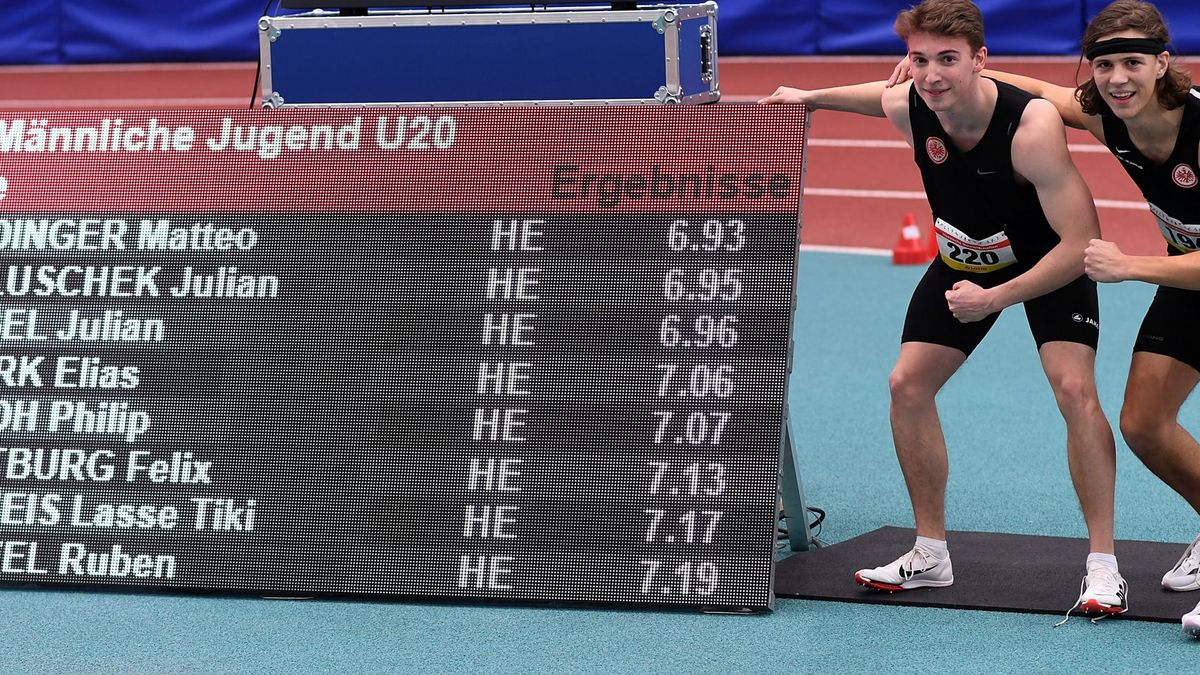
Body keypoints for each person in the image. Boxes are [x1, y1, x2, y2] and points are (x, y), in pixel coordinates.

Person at [760, 0, 1128, 616]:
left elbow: (1080, 243)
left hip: (1048, 265)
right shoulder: (910, 104)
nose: (931, 75)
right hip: (965, 260)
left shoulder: (1031, 125)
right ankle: (930, 552)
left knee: (1074, 390)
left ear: (981, 60)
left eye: (948, 60)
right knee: (907, 386)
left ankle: (1103, 566)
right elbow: (877, 95)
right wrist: (810, 97)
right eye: (920, 59)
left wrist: (996, 298)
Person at [888, 0, 1199, 636]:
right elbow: (1028, 90)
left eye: (1133, 63)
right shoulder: (1103, 110)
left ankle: (1106, 564)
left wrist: (1131, 266)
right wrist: (942, 72)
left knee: (1091, 397)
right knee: (1143, 424)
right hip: (1186, 277)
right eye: (1104, 65)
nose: (1118, 79)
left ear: (1164, 63)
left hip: (1172, 269)